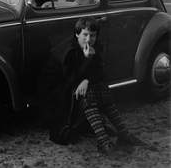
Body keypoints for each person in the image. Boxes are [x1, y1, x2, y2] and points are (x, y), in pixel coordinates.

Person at [38, 17, 142, 153]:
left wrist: (87, 80)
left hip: (77, 83)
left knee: (100, 88)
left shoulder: (95, 46)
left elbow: (100, 72)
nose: (88, 39)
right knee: (88, 94)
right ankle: (103, 141)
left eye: (92, 35)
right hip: (57, 89)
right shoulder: (69, 51)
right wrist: (87, 60)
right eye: (85, 35)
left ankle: (124, 133)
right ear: (77, 34)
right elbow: (70, 78)